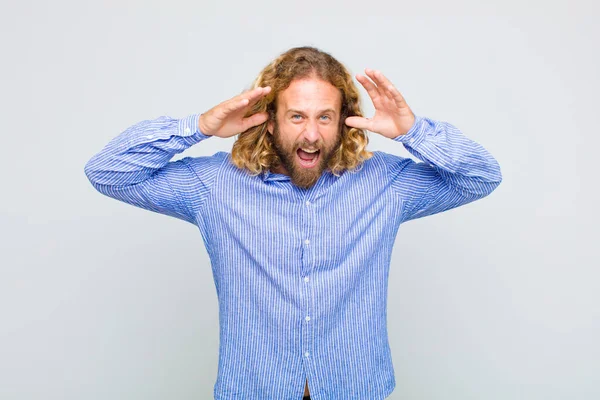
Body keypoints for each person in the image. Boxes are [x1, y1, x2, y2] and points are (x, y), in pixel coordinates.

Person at [84, 46, 502, 400]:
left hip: (355, 388)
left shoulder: (384, 183)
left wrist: (414, 131)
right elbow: (107, 173)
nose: (312, 135)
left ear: (343, 120)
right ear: (270, 118)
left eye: (325, 117)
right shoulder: (215, 185)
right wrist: (198, 127)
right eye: (297, 117)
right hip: (253, 389)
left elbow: (482, 177)